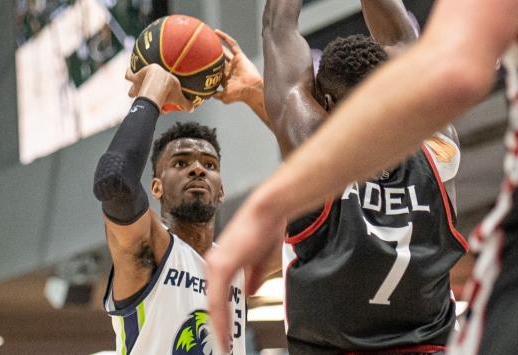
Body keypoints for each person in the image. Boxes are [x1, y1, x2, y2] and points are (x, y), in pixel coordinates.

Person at [206, 0, 518, 354]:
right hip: (432, 346)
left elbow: (278, 28)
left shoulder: (310, 148)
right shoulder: (439, 146)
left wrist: (265, 204)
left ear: (323, 102)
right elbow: (403, 41)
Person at [93, 28, 275, 352]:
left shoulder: (236, 266)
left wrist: (255, 91)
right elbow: (114, 180)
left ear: (221, 191)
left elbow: (333, 198)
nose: (197, 168)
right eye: (180, 163)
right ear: (156, 187)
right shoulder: (150, 250)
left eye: (209, 164)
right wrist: (153, 88)